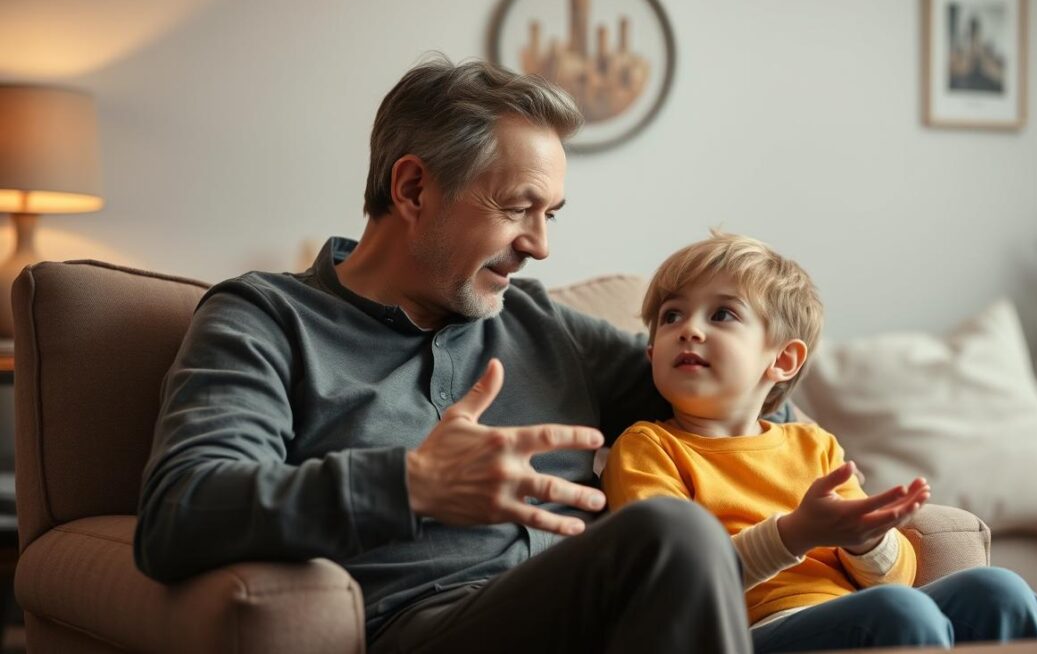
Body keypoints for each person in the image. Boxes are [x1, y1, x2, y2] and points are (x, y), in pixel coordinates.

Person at [134, 57, 769, 653]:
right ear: (413, 189)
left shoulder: (539, 321)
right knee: (674, 533)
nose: (539, 245)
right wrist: (414, 485)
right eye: (518, 208)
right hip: (427, 626)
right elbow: (180, 511)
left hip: (613, 618)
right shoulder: (268, 319)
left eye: (549, 215)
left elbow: (738, 399)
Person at [601, 232, 1037, 653]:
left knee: (1001, 591)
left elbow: (895, 580)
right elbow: (672, 586)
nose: (689, 329)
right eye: (671, 316)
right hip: (741, 635)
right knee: (899, 612)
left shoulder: (813, 445)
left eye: (722, 314)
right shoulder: (648, 448)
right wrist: (795, 534)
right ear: (652, 353)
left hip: (852, 613)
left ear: (783, 359)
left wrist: (867, 541)